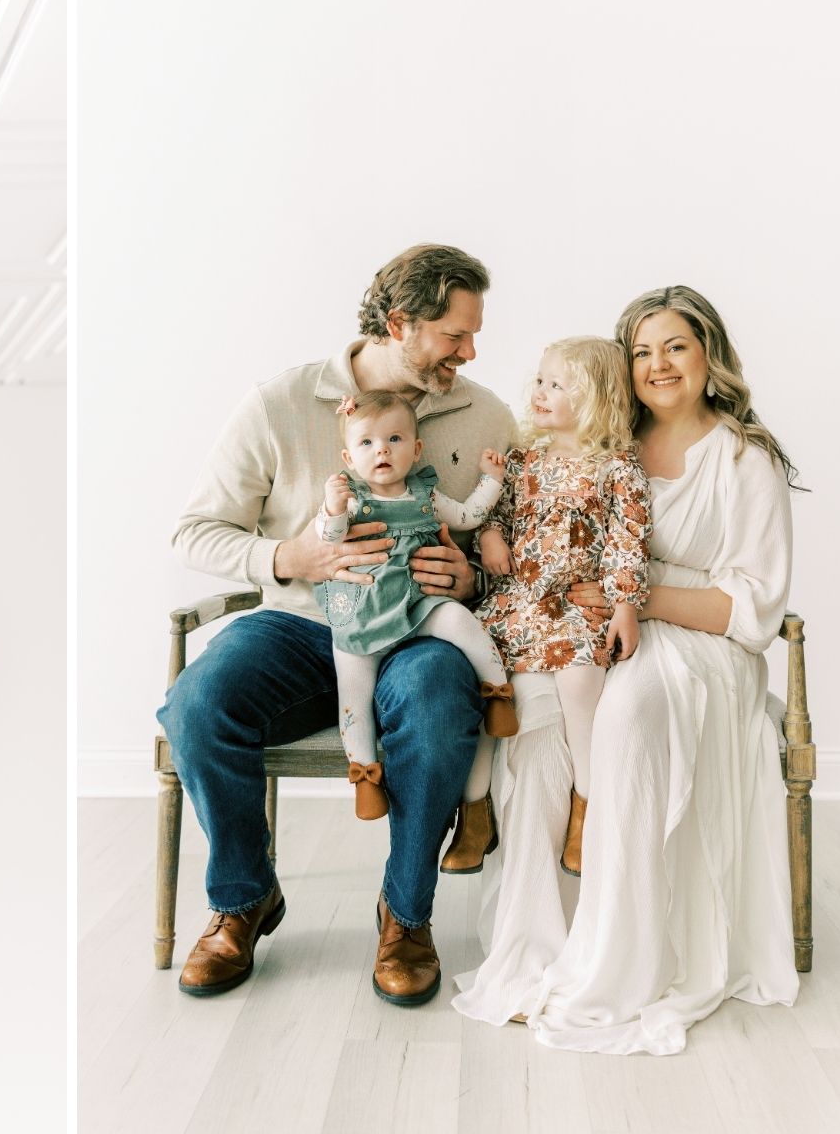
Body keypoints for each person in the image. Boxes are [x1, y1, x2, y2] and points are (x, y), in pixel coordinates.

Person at [161, 243, 516, 1004]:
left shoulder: (486, 414)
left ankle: (405, 915)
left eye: (473, 335)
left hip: (419, 631)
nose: (471, 350)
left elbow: (513, 549)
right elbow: (194, 532)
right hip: (298, 626)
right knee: (198, 702)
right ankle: (243, 898)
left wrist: (473, 576)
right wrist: (293, 555)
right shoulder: (279, 402)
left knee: (435, 701)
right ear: (399, 322)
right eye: (455, 334)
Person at [453, 285, 800, 1055]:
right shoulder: (602, 441)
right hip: (584, 627)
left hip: (700, 646)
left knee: (628, 712)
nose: (658, 364)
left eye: (675, 345)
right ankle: (537, 945)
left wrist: (639, 600)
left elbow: (755, 610)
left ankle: (618, 958)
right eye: (642, 350)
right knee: (538, 730)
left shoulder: (746, 460)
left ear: (709, 355)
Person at [439, 338, 650, 875]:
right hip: (517, 599)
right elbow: (497, 514)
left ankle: (587, 805)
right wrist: (489, 537)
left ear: (597, 399)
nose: (541, 392)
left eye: (559, 385)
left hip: (575, 604)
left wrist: (624, 604)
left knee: (581, 683)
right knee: (483, 681)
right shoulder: (522, 460)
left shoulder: (616, 468)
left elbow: (629, 539)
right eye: (540, 380)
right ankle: (474, 810)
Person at [312, 390, 514, 821]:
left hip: (419, 601)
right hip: (362, 612)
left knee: (460, 621)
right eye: (367, 443)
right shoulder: (350, 499)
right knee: (354, 694)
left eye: (395, 439)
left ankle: (497, 695)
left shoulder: (425, 493)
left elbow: (466, 517)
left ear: (416, 449)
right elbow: (327, 540)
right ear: (349, 458)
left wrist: (491, 480)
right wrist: (331, 507)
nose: (382, 450)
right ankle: (365, 775)